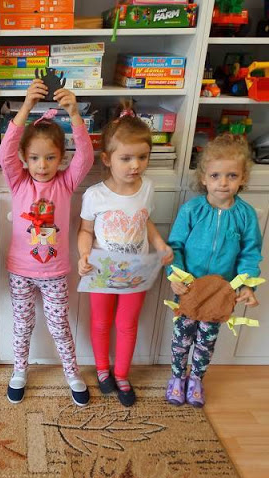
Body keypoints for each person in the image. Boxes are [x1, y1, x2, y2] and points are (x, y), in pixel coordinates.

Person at [0, 79, 94, 406]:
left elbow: (86, 158)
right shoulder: (18, 181)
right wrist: (26, 106)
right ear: (25, 157)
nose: (42, 165)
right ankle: (19, 371)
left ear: (61, 158)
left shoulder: (66, 183)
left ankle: (72, 373)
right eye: (35, 158)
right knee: (22, 325)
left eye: (51, 158)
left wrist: (75, 114)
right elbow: (4, 154)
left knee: (59, 325)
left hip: (54, 273)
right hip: (21, 271)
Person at [77, 100, 173, 407]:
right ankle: (102, 371)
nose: (135, 165)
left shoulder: (148, 188)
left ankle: (121, 374)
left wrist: (160, 244)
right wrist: (83, 255)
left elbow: (146, 221)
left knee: (128, 324)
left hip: (137, 270)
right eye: (126, 158)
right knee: (101, 322)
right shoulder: (95, 195)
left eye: (142, 157)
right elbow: (85, 230)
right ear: (107, 159)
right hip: (102, 270)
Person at [166, 133, 263, 407]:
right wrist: (175, 276)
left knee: (206, 341)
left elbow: (250, 252)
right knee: (182, 339)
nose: (223, 182)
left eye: (232, 175)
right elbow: (175, 246)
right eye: (216, 175)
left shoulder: (245, 215)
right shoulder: (191, 210)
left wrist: (247, 285)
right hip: (189, 289)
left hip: (221, 293)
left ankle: (196, 380)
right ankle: (177, 378)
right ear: (204, 178)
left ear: (243, 178)